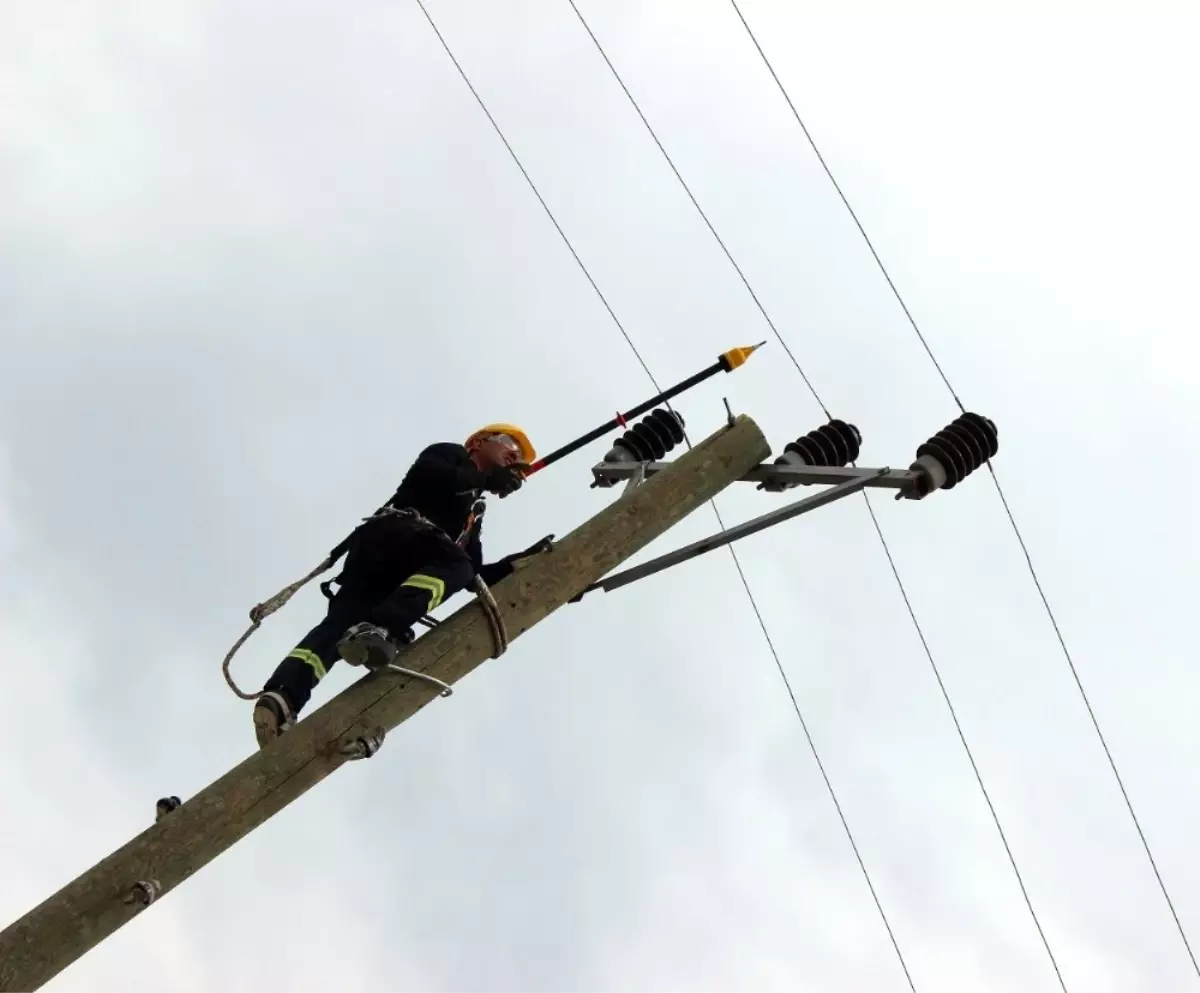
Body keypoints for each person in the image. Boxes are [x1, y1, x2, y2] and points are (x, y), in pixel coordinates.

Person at [253, 423, 553, 748]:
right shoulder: (449, 454)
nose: (514, 455)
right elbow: (433, 477)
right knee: (455, 566)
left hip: (385, 575)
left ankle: (281, 698)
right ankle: (381, 626)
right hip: (392, 538)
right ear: (479, 443)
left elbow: (473, 576)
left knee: (338, 627)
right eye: (510, 444)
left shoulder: (471, 515)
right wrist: (483, 480)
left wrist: (521, 563)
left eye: (520, 457)